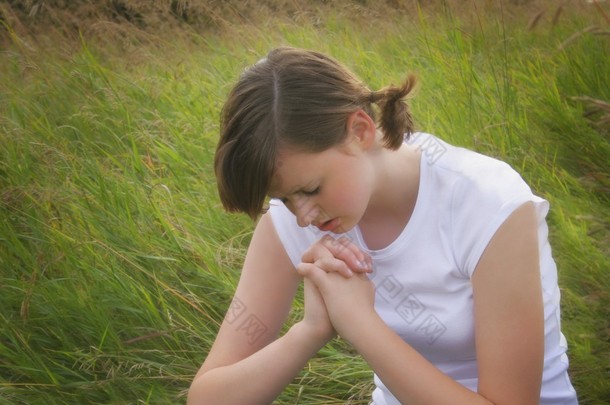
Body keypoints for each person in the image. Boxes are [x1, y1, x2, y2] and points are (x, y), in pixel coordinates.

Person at [187, 46, 578, 404]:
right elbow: (207, 397)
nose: (302, 216)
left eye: (309, 189)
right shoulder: (288, 223)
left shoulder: (486, 202)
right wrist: (310, 331)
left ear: (360, 130)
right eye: (285, 198)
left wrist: (359, 322)